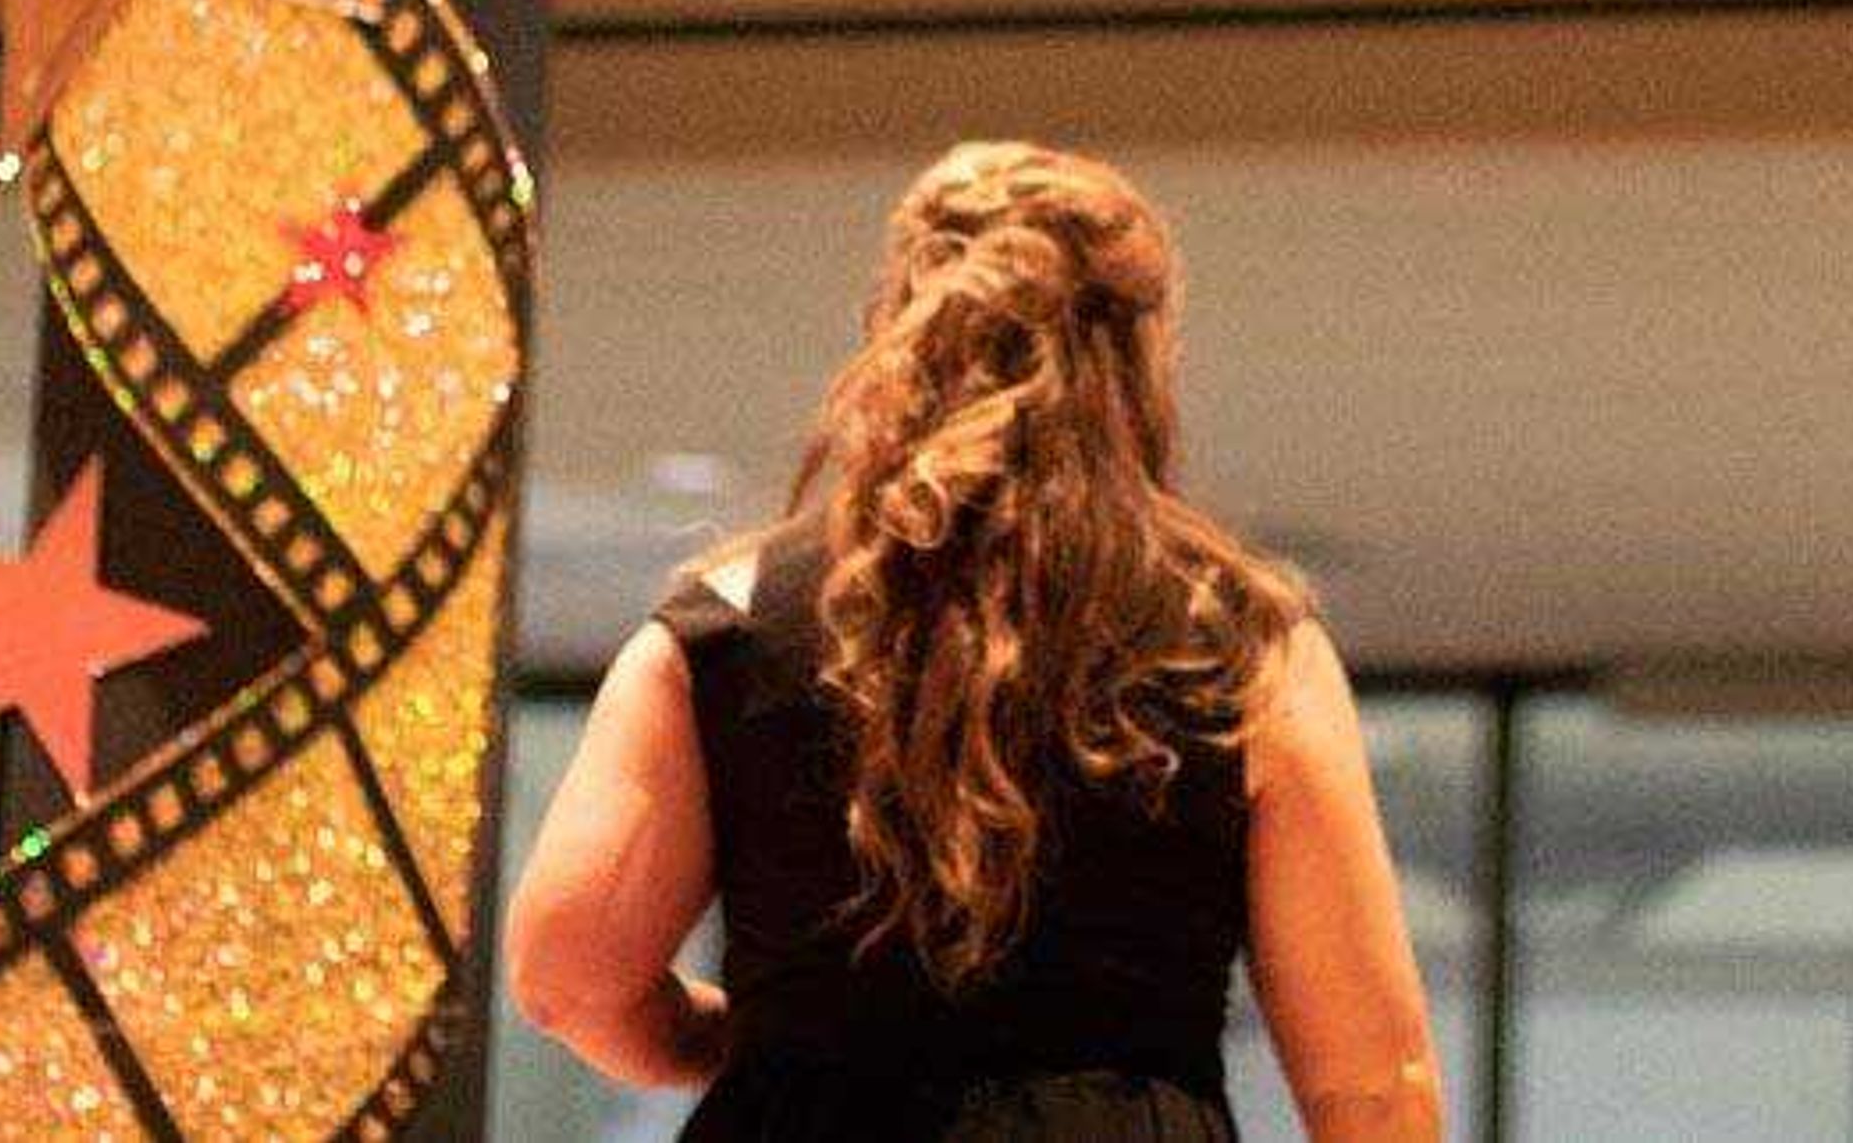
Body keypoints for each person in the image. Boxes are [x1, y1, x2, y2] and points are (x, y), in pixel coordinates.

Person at [508, 140, 1444, 1140]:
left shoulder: (727, 618)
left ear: (893, 322)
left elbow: (568, 973)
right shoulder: (1241, 640)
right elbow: (1373, 1083)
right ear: (1140, 358)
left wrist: (722, 1041)